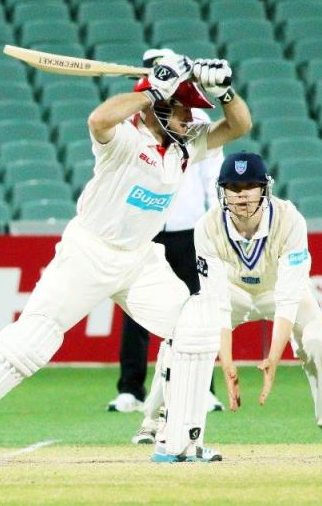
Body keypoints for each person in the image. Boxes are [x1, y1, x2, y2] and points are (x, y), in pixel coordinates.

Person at [0, 53, 252, 465]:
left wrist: (224, 90)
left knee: (195, 325)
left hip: (139, 260)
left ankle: (178, 442)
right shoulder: (124, 138)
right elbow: (98, 120)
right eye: (184, 112)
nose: (192, 121)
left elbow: (239, 125)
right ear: (160, 109)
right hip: (89, 253)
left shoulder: (184, 149)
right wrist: (151, 91)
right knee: (31, 343)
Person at [131, 152, 322, 445]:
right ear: (223, 190)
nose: (242, 196)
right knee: (181, 335)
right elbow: (216, 299)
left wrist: (273, 359)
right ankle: (154, 422)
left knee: (321, 344)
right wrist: (226, 362)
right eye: (234, 189)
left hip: (280, 291)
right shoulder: (207, 226)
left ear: (264, 188)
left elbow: (289, 297)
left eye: (250, 187)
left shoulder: (289, 219)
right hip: (233, 292)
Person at [107, 108, 226, 417]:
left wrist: (213, 224)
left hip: (190, 229)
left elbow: (212, 173)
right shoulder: (134, 118)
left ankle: (203, 390)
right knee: (135, 311)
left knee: (197, 310)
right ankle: (130, 391)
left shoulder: (195, 117)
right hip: (145, 228)